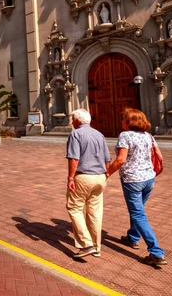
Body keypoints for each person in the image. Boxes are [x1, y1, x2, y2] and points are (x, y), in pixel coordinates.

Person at [107, 108, 167, 267]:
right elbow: (159, 157)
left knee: (138, 214)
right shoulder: (149, 136)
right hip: (149, 179)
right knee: (138, 211)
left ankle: (156, 252)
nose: (121, 122)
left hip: (132, 180)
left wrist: (106, 174)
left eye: (123, 119)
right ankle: (133, 238)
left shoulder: (125, 136)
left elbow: (120, 160)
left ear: (129, 122)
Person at [65, 109, 110, 258]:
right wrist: (105, 175)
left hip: (84, 176)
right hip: (100, 177)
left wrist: (71, 178)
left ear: (78, 121)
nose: (72, 122)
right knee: (95, 212)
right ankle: (97, 247)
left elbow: (74, 158)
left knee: (74, 208)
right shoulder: (99, 134)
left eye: (73, 119)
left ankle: (86, 244)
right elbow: (107, 159)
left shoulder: (76, 134)